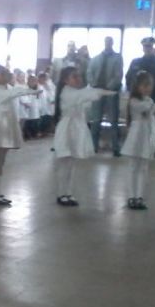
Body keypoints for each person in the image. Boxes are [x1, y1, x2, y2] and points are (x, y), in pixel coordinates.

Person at [52, 67, 115, 206]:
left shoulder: (75, 92)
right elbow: (86, 95)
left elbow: (85, 99)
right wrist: (104, 92)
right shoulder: (67, 93)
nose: (78, 79)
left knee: (71, 163)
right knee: (65, 163)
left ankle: (68, 193)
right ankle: (61, 194)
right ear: (65, 80)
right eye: (74, 76)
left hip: (75, 127)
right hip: (67, 129)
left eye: (79, 76)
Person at [0, 65, 41, 206]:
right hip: (0, 126)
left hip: (7, 124)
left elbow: (17, 91)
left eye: (5, 73)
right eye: (1, 74)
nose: (5, 75)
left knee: (1, 161)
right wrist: (30, 90)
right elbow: (16, 92)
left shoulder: (8, 88)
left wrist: (32, 89)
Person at [121, 72, 155, 210]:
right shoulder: (134, 101)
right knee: (133, 167)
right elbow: (146, 108)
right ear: (137, 86)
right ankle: (132, 196)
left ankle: (139, 196)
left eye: (150, 86)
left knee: (143, 168)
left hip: (146, 137)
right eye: (145, 85)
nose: (148, 88)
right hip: (136, 137)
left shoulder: (149, 100)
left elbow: (151, 111)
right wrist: (152, 105)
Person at [87, 37, 124, 156]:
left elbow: (118, 74)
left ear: (113, 43)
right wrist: (94, 84)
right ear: (104, 43)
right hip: (97, 91)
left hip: (111, 92)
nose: (108, 43)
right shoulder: (95, 59)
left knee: (113, 120)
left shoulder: (118, 57)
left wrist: (108, 87)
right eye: (106, 41)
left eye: (110, 41)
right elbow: (89, 73)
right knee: (96, 120)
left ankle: (115, 148)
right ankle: (93, 146)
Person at [125, 37, 155, 103]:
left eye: (149, 46)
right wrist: (131, 90)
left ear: (152, 48)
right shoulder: (135, 62)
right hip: (136, 96)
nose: (147, 49)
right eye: (145, 46)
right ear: (143, 48)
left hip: (153, 96)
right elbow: (129, 77)